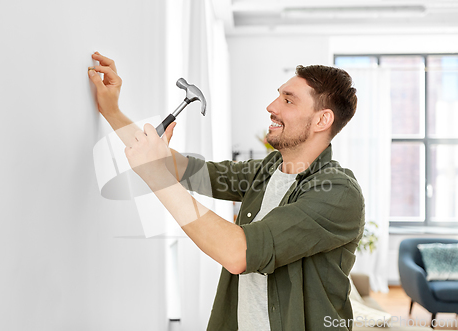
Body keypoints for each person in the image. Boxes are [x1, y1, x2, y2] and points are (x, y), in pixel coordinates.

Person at [88, 51, 365, 331]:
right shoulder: (268, 169)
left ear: (322, 120)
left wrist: (156, 176)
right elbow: (187, 170)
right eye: (278, 96)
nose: (271, 106)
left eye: (288, 100)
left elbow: (238, 253)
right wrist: (112, 111)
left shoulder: (338, 193)